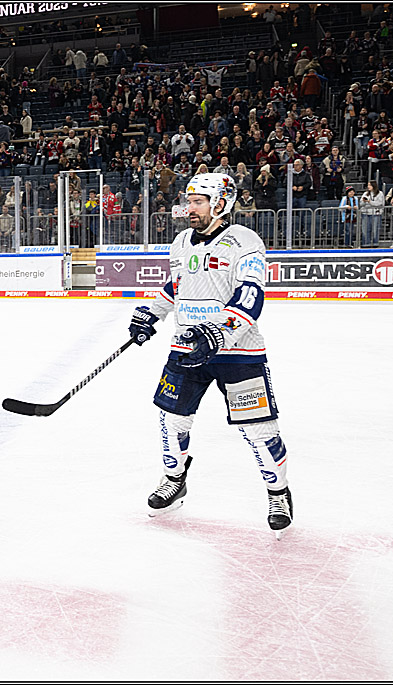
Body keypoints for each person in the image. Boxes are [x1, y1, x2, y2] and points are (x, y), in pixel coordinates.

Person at [126, 173, 294, 538]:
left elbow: (251, 296)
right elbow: (177, 285)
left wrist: (220, 331)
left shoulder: (244, 242)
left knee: (259, 430)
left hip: (238, 352)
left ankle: (278, 494)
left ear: (220, 204)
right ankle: (175, 480)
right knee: (172, 420)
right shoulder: (181, 242)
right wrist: (151, 313)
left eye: (198, 201)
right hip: (187, 347)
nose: (190, 208)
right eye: (189, 201)